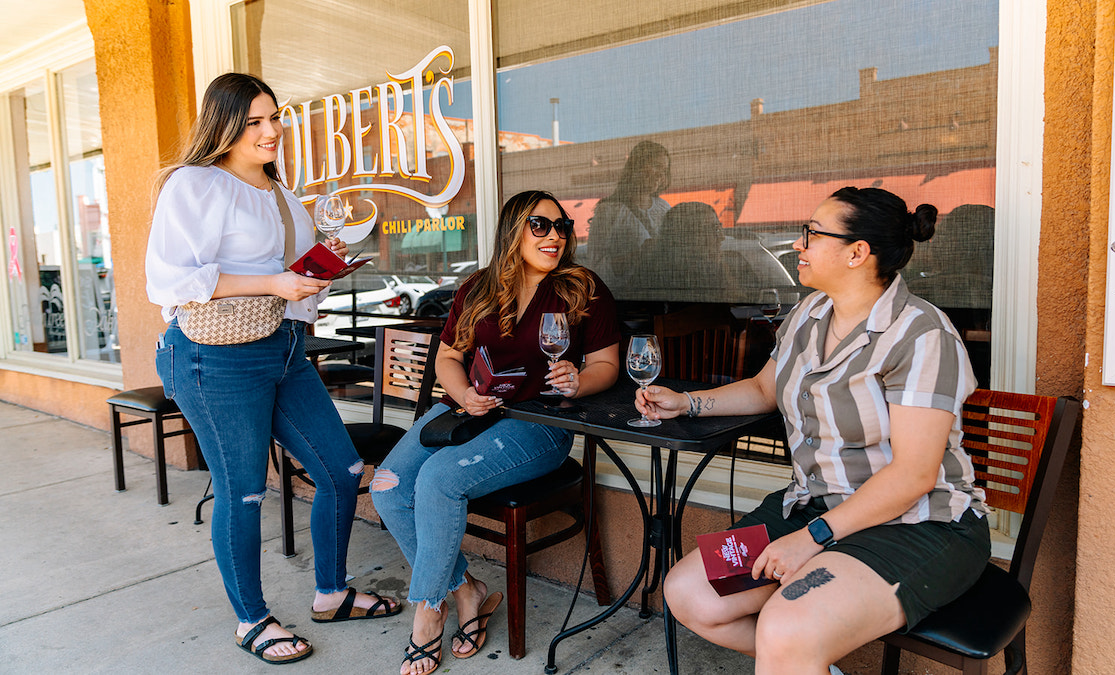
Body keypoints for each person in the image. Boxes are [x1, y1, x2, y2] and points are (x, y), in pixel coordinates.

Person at [638, 186, 991, 675]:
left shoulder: (922, 335)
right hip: (814, 505)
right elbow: (765, 389)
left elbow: (913, 475)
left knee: (786, 628)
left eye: (812, 233)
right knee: (691, 594)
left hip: (918, 525)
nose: (798, 244)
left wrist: (812, 538)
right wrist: (688, 403)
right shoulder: (810, 314)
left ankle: (794, 658)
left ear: (857, 253)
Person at [146, 73, 401, 666]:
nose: (272, 130)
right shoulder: (195, 184)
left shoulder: (280, 192)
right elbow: (172, 281)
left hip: (284, 347)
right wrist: (274, 281)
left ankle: (331, 593)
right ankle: (251, 620)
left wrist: (320, 268)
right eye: (255, 121)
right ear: (225, 126)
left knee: (341, 467)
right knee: (245, 491)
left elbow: (290, 275)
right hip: (215, 357)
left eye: (275, 117)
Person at [370, 190, 621, 675]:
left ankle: (427, 615)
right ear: (513, 231)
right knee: (388, 486)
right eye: (540, 225)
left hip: (540, 422)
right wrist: (463, 393)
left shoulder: (582, 288)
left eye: (561, 225)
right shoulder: (479, 288)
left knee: (438, 480)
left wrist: (579, 378)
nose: (554, 236)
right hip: (467, 411)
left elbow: (607, 365)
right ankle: (467, 589)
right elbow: (448, 357)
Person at [587, 140, 672, 289]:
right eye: (656, 166)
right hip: (627, 301)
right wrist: (638, 256)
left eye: (664, 170)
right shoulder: (609, 211)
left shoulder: (664, 208)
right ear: (637, 166)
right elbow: (596, 269)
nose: (661, 174)